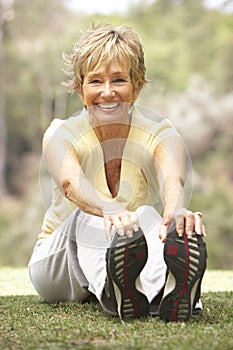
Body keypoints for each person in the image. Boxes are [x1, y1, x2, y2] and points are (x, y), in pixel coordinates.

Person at [28, 24, 207, 322]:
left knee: (149, 216)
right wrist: (109, 208)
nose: (107, 92)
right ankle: (118, 291)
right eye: (95, 81)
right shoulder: (60, 133)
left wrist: (177, 214)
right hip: (57, 266)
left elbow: (171, 178)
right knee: (87, 218)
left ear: (136, 86)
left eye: (119, 80)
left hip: (117, 247)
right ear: (80, 88)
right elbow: (72, 184)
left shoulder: (160, 132)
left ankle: (165, 292)